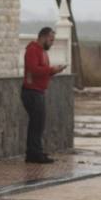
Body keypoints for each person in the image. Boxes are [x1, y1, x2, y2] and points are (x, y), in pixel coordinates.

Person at [21, 26, 67, 163]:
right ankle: (34, 154)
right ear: (43, 37)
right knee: (36, 124)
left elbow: (43, 71)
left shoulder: (42, 52)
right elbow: (34, 70)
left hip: (38, 91)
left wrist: (54, 71)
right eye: (51, 40)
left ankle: (35, 152)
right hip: (32, 92)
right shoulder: (32, 50)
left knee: (38, 124)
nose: (52, 43)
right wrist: (51, 69)